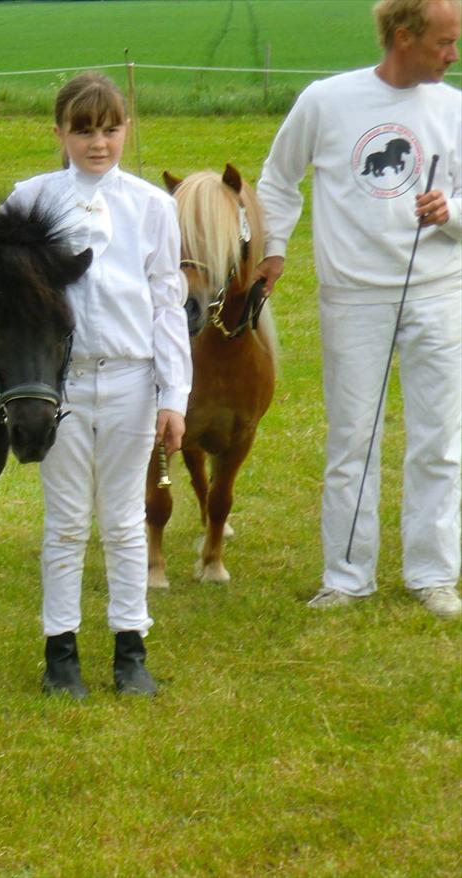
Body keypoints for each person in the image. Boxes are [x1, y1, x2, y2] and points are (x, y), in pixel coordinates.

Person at [253, 0, 461, 620]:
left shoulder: (454, 108)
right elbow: (277, 178)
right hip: (353, 297)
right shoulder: (326, 101)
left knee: (440, 441)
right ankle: (346, 576)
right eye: (445, 43)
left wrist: (450, 212)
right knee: (353, 441)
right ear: (404, 37)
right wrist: (274, 249)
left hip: (439, 293)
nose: (453, 55)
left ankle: (434, 574)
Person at [2, 72, 192, 698]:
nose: (98, 144)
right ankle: (61, 653)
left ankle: (130, 649)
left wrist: (173, 395)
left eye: (110, 130)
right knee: (63, 521)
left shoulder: (152, 207)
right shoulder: (30, 201)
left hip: (133, 381)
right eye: (83, 132)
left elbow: (167, 302)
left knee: (124, 520)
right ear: (59, 133)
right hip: (60, 386)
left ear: (125, 129)